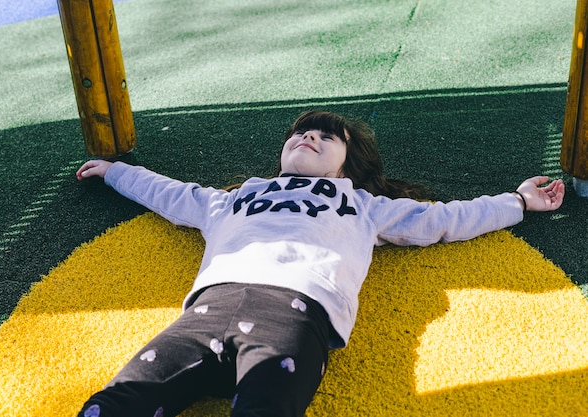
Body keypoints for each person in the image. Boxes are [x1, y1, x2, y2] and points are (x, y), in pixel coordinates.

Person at [75, 110, 565, 417]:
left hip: (293, 312)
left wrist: (517, 202)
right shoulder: (236, 197)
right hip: (205, 311)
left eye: (326, 137)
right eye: (301, 133)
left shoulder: (362, 205)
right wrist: (119, 172)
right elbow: (171, 194)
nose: (308, 136)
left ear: (346, 167)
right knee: (116, 400)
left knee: (266, 406)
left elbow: (442, 220)